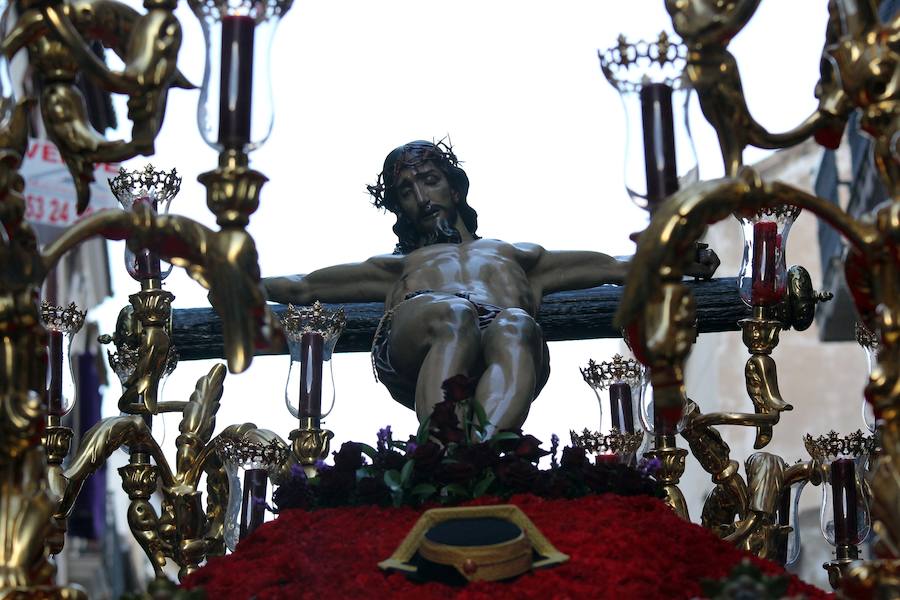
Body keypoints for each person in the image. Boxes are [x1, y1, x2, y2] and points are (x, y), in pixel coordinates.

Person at [264, 140, 718, 433]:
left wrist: (672, 257)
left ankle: (482, 454)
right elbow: (303, 286)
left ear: (455, 188)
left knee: (517, 324)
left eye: (429, 180)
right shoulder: (395, 266)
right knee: (454, 314)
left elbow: (612, 266)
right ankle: (438, 448)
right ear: (400, 209)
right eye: (406, 191)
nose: (422, 197)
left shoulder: (517, 256)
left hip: (500, 335)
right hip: (420, 334)